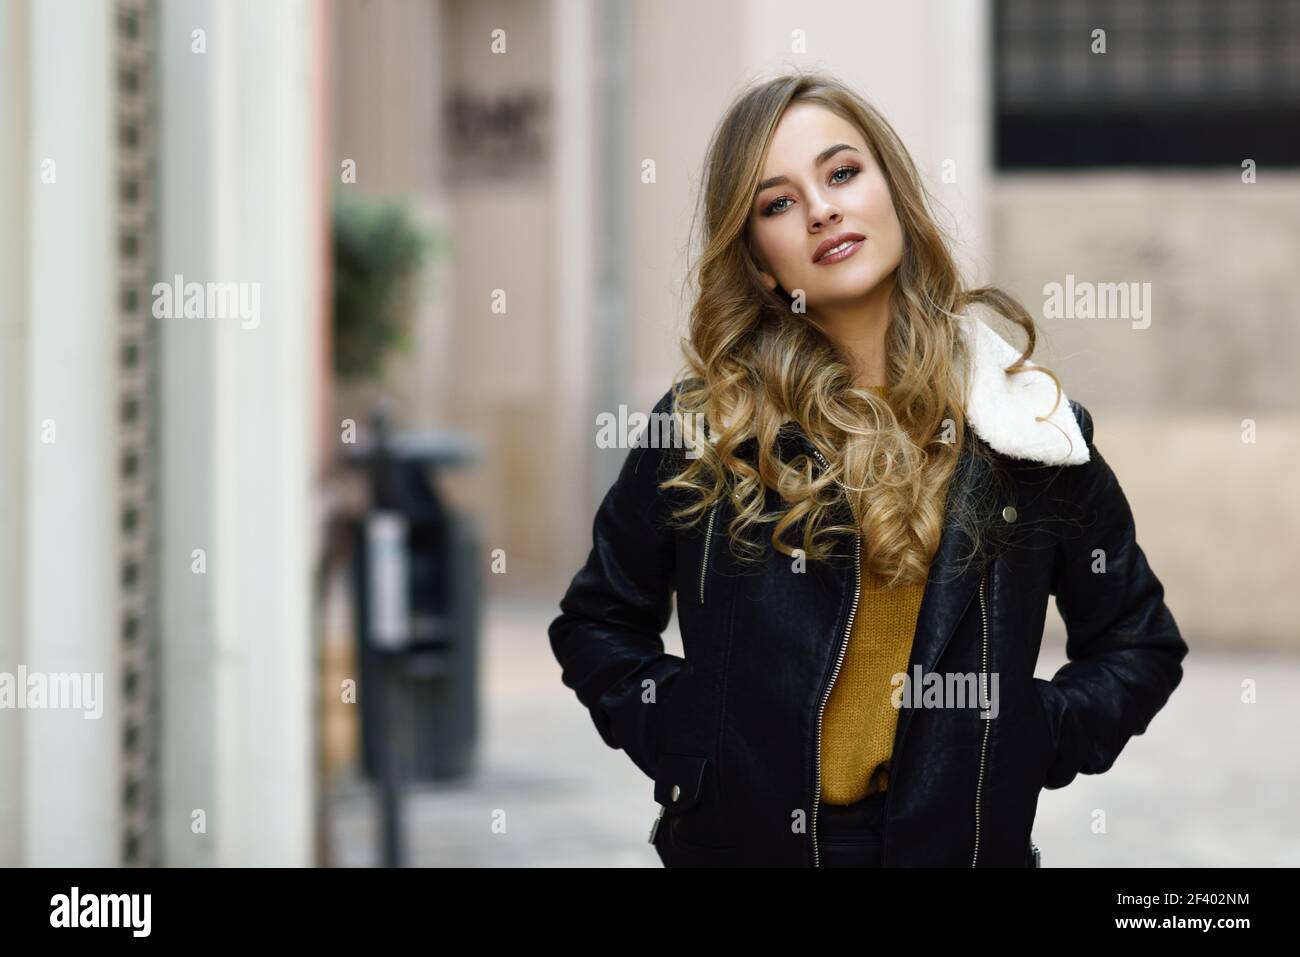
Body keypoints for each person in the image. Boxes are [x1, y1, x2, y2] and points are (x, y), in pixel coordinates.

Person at [548, 70, 1188, 867]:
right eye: (777, 203)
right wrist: (696, 738)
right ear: (759, 262)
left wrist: (1027, 736)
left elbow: (1140, 641)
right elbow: (596, 623)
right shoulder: (706, 425)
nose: (821, 208)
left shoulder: (1025, 428)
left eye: (842, 172)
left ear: (893, 190)